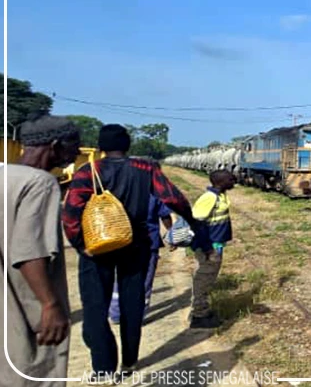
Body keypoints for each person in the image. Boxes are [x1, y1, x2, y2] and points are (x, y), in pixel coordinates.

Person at [61, 124, 194, 378]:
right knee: (132, 305)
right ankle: (129, 361)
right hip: (136, 244)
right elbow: (172, 198)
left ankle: (103, 369)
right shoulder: (146, 168)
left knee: (95, 307)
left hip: (97, 247)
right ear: (127, 145)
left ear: (100, 147)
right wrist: (192, 220)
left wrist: (80, 245)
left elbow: (71, 213)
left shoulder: (89, 170)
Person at [0, 116, 81, 387]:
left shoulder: (1, 176)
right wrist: (49, 304)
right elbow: (29, 251)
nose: (77, 153)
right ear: (55, 146)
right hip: (27, 304)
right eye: (73, 146)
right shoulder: (41, 183)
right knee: (34, 372)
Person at [109, 194, 173, 325]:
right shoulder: (154, 193)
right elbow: (165, 215)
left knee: (123, 277)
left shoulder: (119, 190)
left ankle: (116, 313)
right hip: (149, 244)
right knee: (145, 281)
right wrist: (172, 234)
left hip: (124, 242)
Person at [189, 169, 237, 329]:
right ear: (220, 182)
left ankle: (202, 310)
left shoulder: (220, 195)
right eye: (230, 179)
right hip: (209, 247)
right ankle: (199, 315)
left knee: (208, 278)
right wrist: (207, 248)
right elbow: (197, 224)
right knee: (204, 279)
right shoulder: (209, 197)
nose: (233, 181)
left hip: (215, 245)